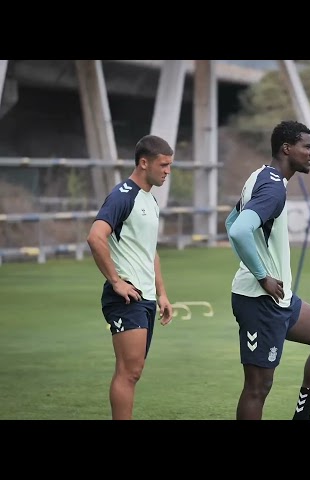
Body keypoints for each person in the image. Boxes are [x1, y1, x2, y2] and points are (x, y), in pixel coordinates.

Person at [225, 120, 310, 420]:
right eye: (307, 146)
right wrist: (261, 274)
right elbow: (238, 231)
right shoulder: (274, 187)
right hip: (259, 300)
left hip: (281, 299)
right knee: (258, 387)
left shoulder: (260, 177)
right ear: (286, 148)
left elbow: (230, 223)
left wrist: (261, 266)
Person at [87, 134, 174, 420]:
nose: (167, 171)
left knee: (133, 372)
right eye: (163, 165)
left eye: (170, 165)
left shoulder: (149, 199)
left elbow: (151, 251)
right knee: (129, 371)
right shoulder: (123, 195)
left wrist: (162, 293)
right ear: (143, 162)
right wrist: (116, 281)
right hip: (127, 296)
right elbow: (95, 237)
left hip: (146, 297)